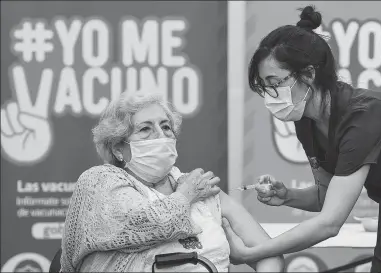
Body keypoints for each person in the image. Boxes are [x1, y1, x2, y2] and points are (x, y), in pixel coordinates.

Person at [222, 5, 381, 273]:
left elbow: (330, 223)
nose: (270, 94)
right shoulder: (306, 121)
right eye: (264, 86)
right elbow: (325, 196)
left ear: (308, 74)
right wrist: (288, 196)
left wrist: (254, 253)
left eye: (275, 82)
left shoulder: (364, 118)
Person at [60, 91, 284, 272]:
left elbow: (269, 254)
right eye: (145, 129)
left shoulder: (200, 187)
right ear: (119, 148)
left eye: (166, 127)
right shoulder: (99, 181)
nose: (161, 135)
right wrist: (186, 195)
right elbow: (144, 224)